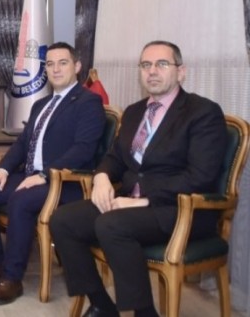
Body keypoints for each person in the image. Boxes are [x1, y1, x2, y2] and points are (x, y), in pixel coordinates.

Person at [49, 41, 227, 317]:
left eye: (161, 64)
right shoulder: (134, 112)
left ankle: (145, 313)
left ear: (181, 72)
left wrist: (144, 200)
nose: (152, 71)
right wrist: (102, 178)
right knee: (63, 220)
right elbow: (115, 157)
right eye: (146, 65)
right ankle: (101, 304)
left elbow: (200, 176)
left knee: (111, 224)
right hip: (130, 203)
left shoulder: (202, 112)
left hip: (180, 209)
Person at [0, 42, 106, 305]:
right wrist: (2, 170)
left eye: (63, 63)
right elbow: (23, 144)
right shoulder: (41, 104)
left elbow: (83, 150)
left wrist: (46, 174)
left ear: (77, 67)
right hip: (31, 177)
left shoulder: (88, 102)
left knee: (21, 200)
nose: (56, 69)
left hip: (65, 182)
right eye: (50, 64)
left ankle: (12, 278)